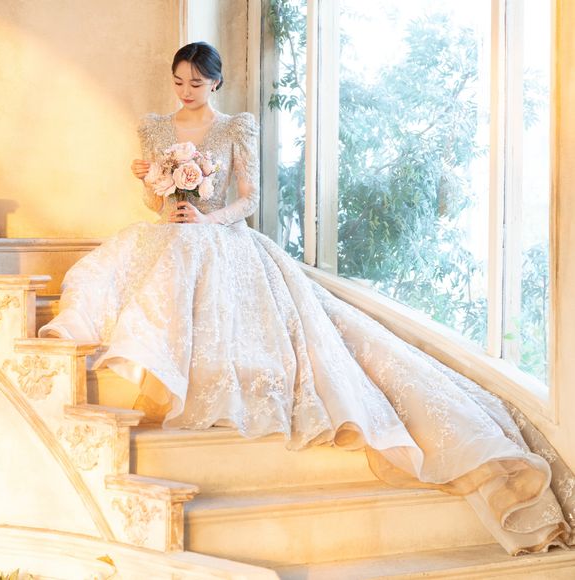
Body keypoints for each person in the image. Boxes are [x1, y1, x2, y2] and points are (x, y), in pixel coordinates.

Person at [38, 41, 575, 556]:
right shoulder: (155, 128)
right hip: (172, 234)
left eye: (196, 83)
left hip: (219, 234)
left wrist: (207, 218)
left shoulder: (234, 127)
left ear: (216, 82)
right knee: (127, 265)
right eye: (178, 82)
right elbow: (154, 201)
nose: (185, 91)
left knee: (203, 263)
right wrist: (152, 182)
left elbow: (247, 198)